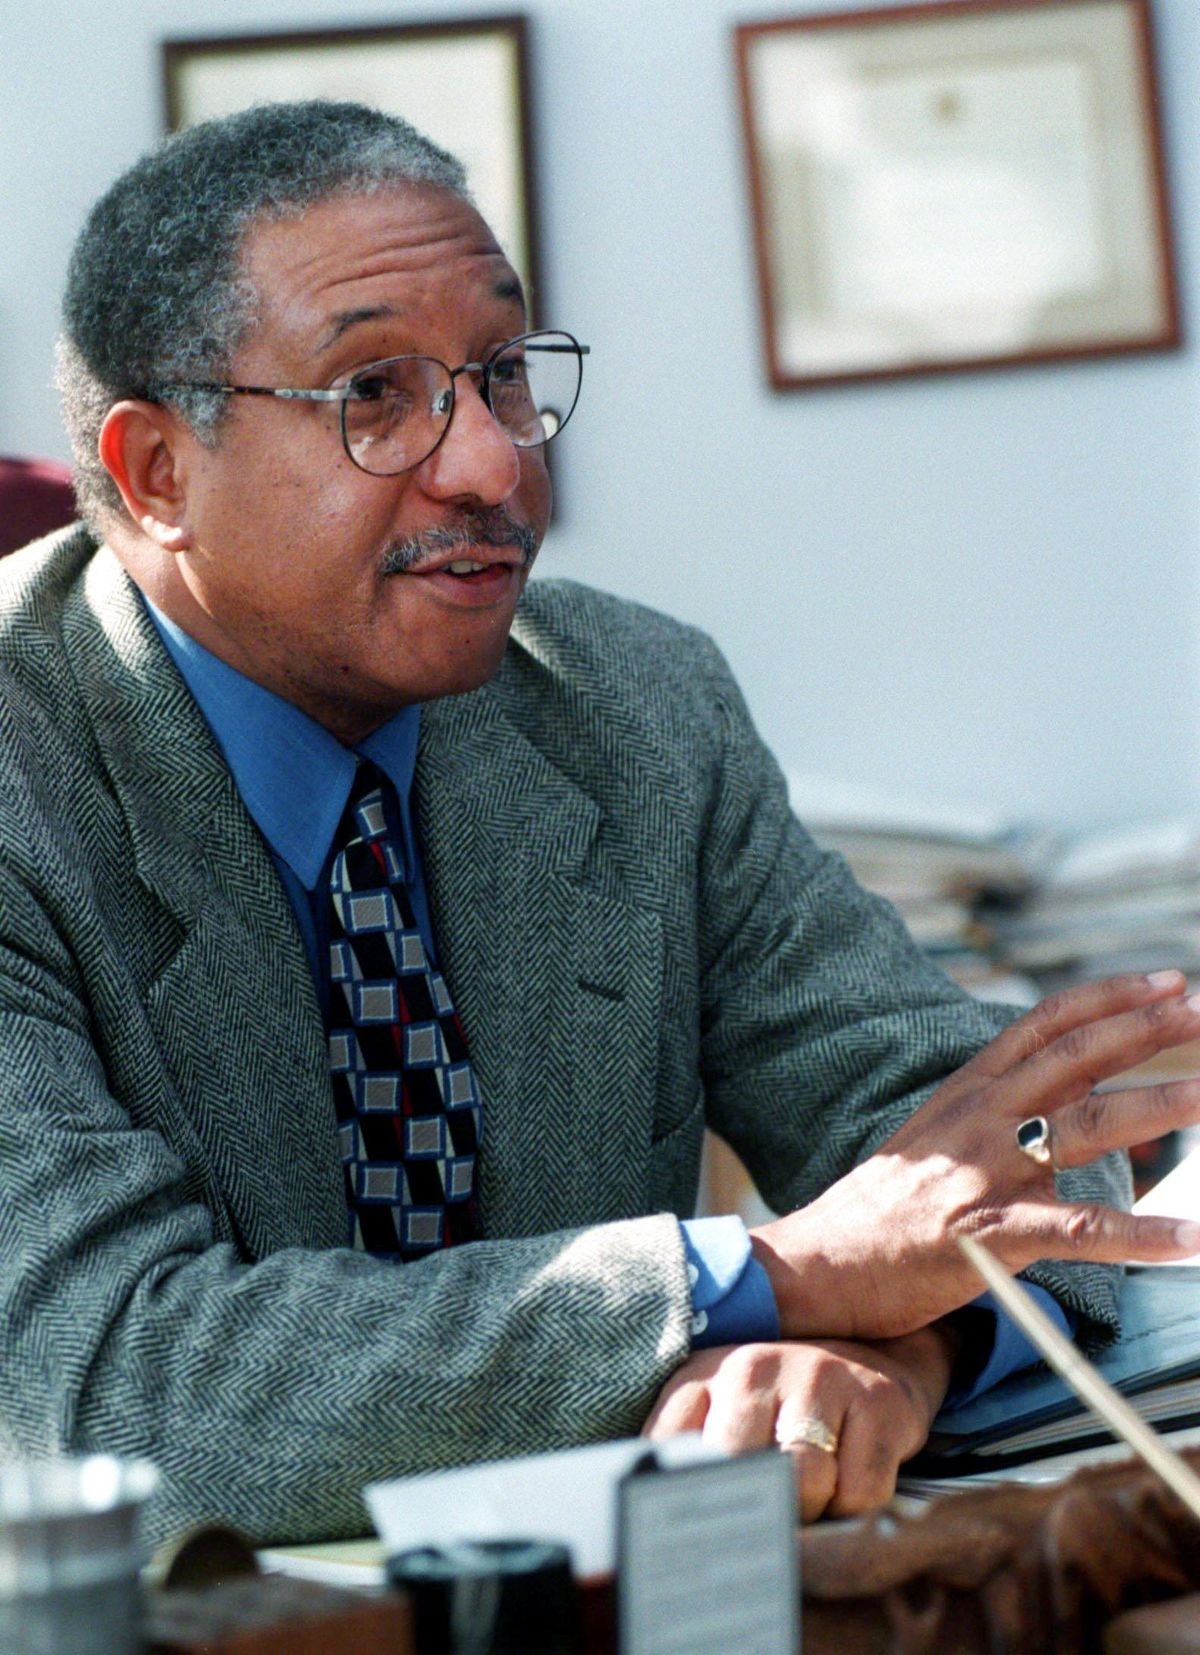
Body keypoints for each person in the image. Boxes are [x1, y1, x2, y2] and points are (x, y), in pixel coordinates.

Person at [2, 100, 1198, 1547]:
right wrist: (765, 1279)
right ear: (152, 475)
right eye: (374, 393)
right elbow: (113, 1386)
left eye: (503, 375)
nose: (492, 466)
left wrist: (889, 1350)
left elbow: (987, 1140)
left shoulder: (632, 703)